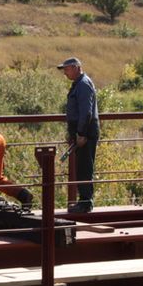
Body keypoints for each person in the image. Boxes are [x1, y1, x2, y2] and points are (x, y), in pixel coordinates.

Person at [58, 57, 99, 213]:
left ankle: (85, 203)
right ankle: (84, 201)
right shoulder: (80, 84)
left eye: (67, 69)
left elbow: (86, 112)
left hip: (86, 132)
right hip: (82, 131)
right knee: (82, 166)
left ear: (76, 67)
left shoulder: (83, 84)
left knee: (85, 167)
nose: (65, 73)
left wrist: (81, 133)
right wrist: (73, 132)